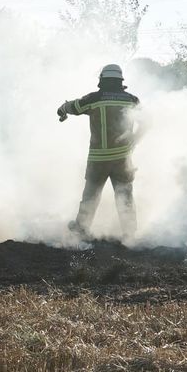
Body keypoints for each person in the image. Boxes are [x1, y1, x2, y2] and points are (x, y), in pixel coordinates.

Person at [57, 64, 140, 241]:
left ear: (102, 80)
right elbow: (148, 121)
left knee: (91, 195)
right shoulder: (132, 100)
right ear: (120, 80)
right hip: (123, 160)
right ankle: (130, 234)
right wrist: (135, 140)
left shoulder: (94, 98)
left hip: (98, 160)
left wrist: (62, 108)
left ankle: (81, 229)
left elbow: (74, 107)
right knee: (125, 195)